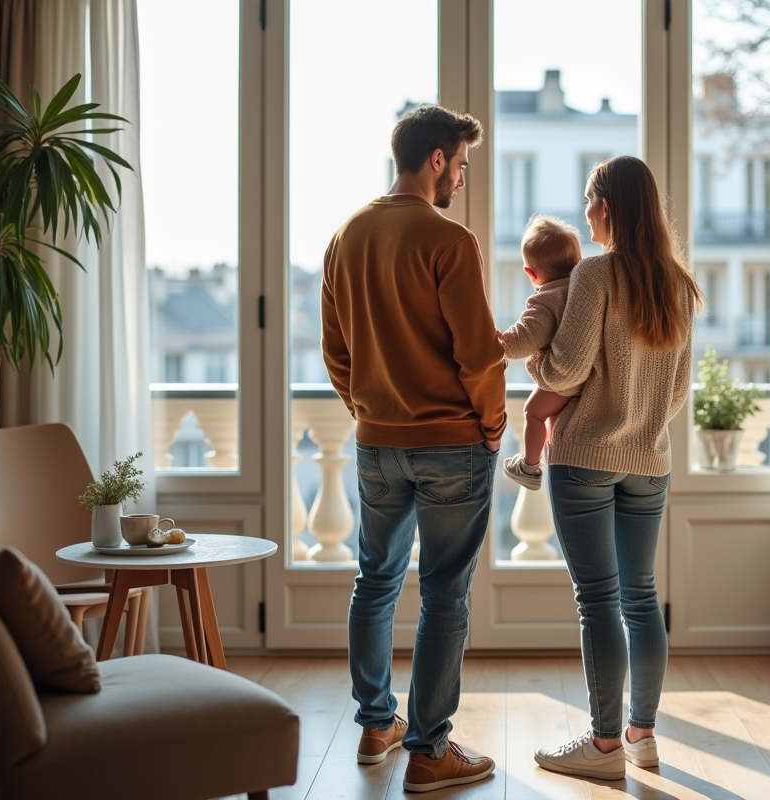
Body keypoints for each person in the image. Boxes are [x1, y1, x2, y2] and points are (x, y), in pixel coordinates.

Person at [321, 105, 505, 794]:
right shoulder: (448, 241)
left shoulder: (346, 235)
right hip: (452, 444)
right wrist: (491, 426)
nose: (461, 175)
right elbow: (479, 355)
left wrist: (370, 411)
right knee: (444, 596)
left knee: (375, 581)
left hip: (376, 443)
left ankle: (377, 725)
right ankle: (429, 752)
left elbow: (336, 351)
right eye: (460, 163)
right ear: (435, 159)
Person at [529, 156, 698, 781]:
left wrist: (538, 374)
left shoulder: (596, 274)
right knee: (641, 597)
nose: (584, 214)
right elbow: (680, 389)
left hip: (585, 460)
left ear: (610, 206)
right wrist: (640, 419)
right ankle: (641, 737)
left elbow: (568, 368)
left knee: (597, 600)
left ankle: (602, 749)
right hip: (650, 463)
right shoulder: (678, 282)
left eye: (589, 201)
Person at [497, 215, 584, 490]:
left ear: (531, 273)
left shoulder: (546, 300)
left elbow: (522, 341)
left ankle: (530, 466)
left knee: (533, 412)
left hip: (566, 378)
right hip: (589, 375)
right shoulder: (585, 291)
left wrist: (501, 342)